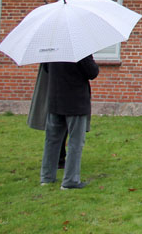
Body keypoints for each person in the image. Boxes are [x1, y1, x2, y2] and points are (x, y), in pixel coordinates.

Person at [39, 54, 99, 189]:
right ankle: (70, 180)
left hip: (55, 98)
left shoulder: (52, 46)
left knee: (52, 140)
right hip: (75, 101)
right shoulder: (79, 49)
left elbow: (46, 68)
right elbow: (92, 72)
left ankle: (46, 177)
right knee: (75, 142)